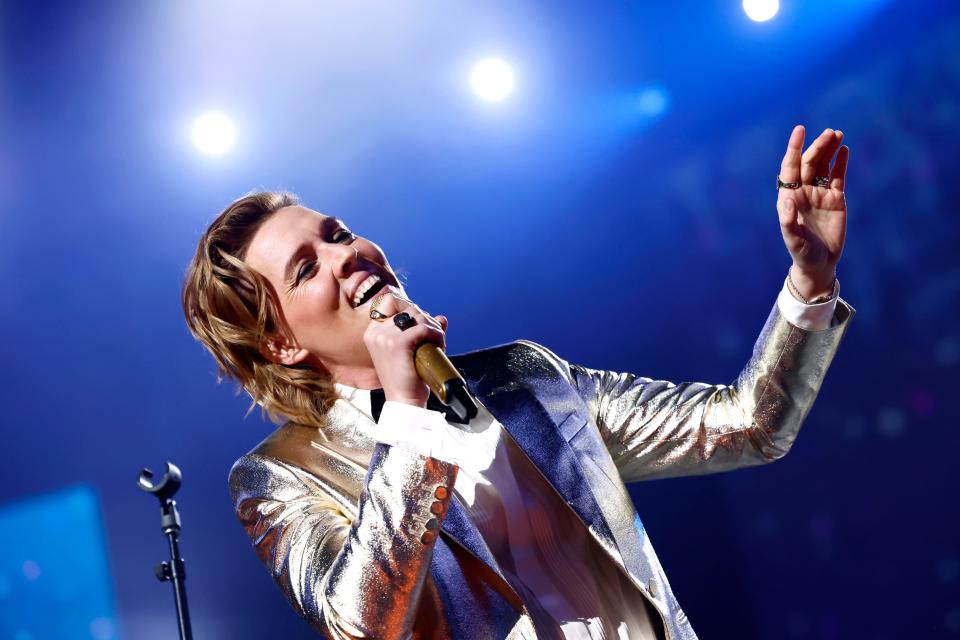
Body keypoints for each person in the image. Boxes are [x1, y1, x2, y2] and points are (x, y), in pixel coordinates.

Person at [181, 125, 855, 639]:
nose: (346, 254)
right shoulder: (280, 477)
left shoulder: (522, 378)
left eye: (339, 233)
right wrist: (409, 422)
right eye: (306, 268)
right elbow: (365, 626)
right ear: (282, 343)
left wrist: (811, 282)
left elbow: (748, 425)